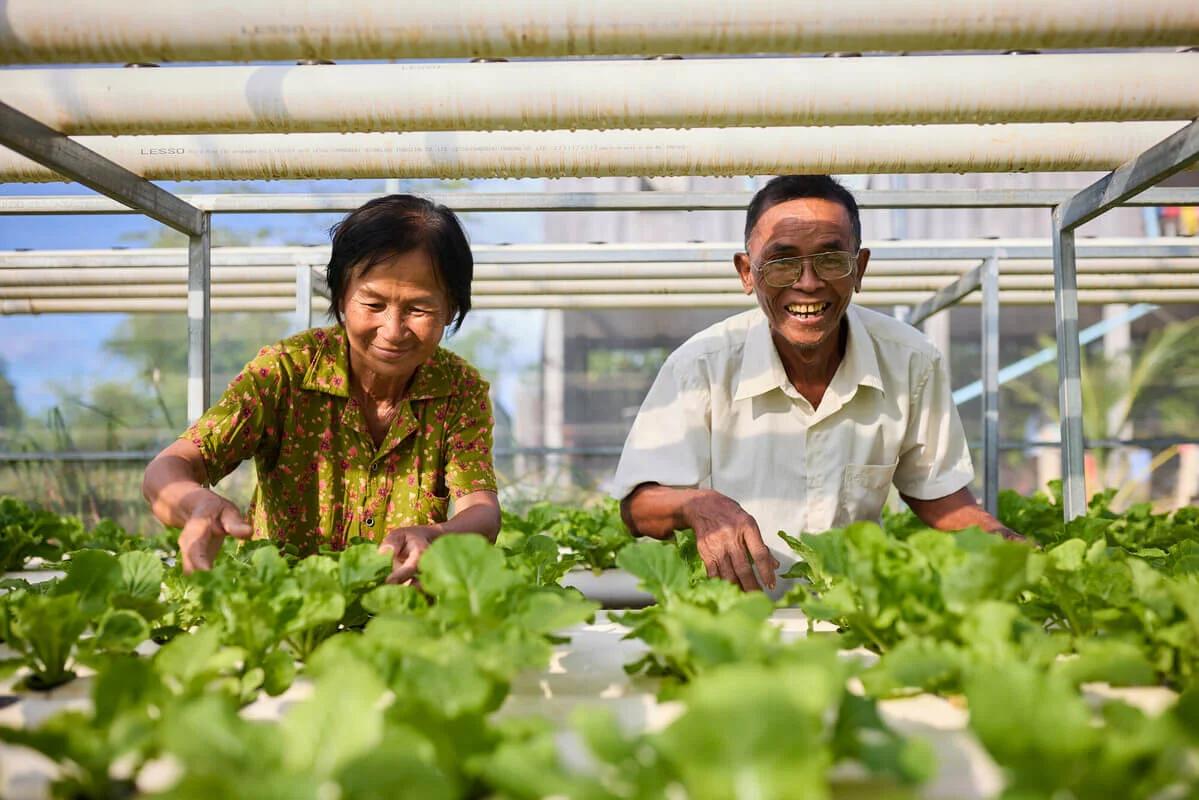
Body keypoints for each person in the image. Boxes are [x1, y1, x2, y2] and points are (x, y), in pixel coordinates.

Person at [611, 175, 1021, 593]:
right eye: (782, 262)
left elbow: (939, 494)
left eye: (831, 260)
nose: (808, 283)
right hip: (734, 616)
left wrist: (1010, 548)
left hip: (854, 613)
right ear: (747, 273)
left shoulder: (910, 361)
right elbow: (637, 506)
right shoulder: (699, 367)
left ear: (859, 268)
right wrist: (700, 504)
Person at [143, 195, 500, 582]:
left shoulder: (460, 389)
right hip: (283, 603)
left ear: (450, 309)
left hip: (401, 606)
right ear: (342, 296)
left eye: (418, 309)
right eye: (373, 304)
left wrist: (435, 535)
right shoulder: (286, 370)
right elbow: (168, 468)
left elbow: (481, 510)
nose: (393, 330)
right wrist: (196, 503)